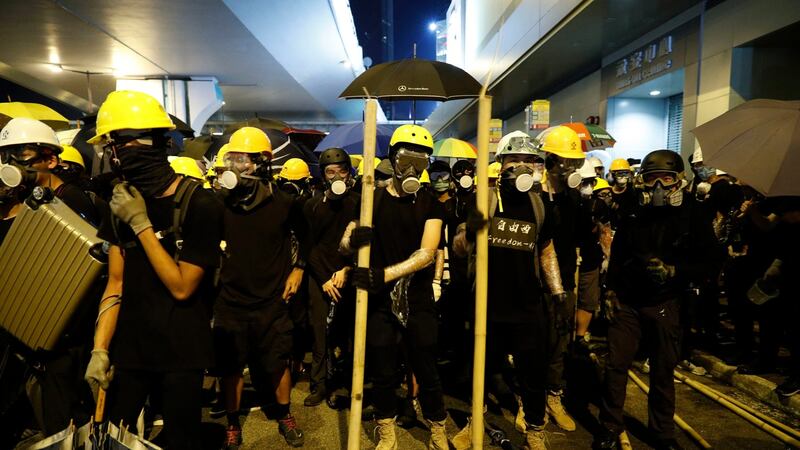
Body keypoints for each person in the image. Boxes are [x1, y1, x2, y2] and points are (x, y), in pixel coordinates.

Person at [84, 90, 223, 449]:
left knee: (179, 440)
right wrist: (100, 349)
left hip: (182, 350)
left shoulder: (200, 203)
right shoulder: (122, 200)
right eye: (113, 144)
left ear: (155, 142)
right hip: (131, 349)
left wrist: (142, 224)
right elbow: (116, 282)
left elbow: (182, 286)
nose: (118, 153)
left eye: (124, 142)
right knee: (116, 438)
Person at [452, 131, 565, 450]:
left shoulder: (539, 203)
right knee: (480, 370)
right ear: (500, 164)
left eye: (529, 160)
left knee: (533, 373)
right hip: (487, 303)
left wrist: (558, 293)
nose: (522, 166)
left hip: (527, 304)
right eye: (514, 159)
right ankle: (475, 423)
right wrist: (471, 230)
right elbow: (460, 249)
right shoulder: (483, 197)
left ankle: (534, 429)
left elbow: (546, 250)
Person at [596, 150, 716, 450]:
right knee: (616, 366)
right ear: (642, 182)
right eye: (651, 179)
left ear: (679, 181)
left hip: (666, 301)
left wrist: (677, 271)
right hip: (627, 300)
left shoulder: (694, 212)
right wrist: (610, 291)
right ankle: (610, 428)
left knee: (663, 370)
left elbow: (712, 261)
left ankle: (662, 433)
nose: (658, 186)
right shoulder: (634, 209)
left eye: (666, 178)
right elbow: (620, 251)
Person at [342, 124, 448, 450]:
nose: (413, 169)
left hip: (415, 297)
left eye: (422, 161)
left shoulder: (431, 204)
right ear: (392, 159)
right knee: (383, 368)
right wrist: (351, 240)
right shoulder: (371, 200)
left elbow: (427, 253)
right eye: (407, 160)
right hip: (378, 302)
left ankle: (437, 428)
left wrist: (384, 275)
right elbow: (347, 240)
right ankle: (385, 427)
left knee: (426, 368)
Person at [212, 127, 307, 448]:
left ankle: (284, 414)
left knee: (278, 361)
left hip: (272, 300)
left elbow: (308, 238)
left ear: (263, 164)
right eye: (232, 159)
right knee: (231, 367)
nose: (236, 168)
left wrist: (299, 269)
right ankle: (232, 423)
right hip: (230, 301)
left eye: (244, 160)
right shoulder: (220, 204)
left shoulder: (284, 203)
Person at [302, 147, 359, 407]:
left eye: (342, 171)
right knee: (318, 331)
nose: (337, 177)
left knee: (349, 330)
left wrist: (347, 270)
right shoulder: (312, 206)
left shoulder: (359, 203)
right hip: (319, 276)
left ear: (349, 173)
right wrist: (324, 278)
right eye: (331, 172)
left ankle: (347, 382)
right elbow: (308, 246)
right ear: (324, 176)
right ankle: (319, 384)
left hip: (348, 274)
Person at [538, 125, 586, 432]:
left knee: (558, 343)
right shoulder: (532, 194)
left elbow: (579, 239)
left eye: (575, 163)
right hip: (533, 281)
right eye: (566, 162)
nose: (571, 169)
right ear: (550, 161)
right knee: (533, 344)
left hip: (565, 280)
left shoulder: (574, 199)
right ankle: (530, 402)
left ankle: (553, 397)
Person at [608, 158, 636, 227]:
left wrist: (613, 205)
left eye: (626, 174)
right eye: (619, 174)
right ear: (612, 176)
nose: (623, 177)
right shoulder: (607, 192)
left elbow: (630, 213)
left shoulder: (632, 193)